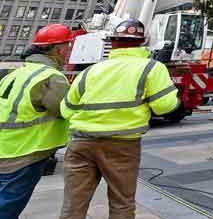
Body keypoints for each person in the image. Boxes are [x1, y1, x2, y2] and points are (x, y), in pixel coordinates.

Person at [59, 19, 179, 219]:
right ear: (142, 42)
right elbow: (164, 106)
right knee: (121, 203)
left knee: (73, 204)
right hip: (122, 145)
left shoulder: (90, 71)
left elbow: (66, 110)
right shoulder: (151, 68)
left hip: (81, 143)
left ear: (112, 42)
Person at [0, 24, 71, 216]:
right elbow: (65, 110)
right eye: (68, 47)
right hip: (25, 152)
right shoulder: (52, 77)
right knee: (7, 207)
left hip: (6, 147)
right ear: (59, 49)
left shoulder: (15, 74)